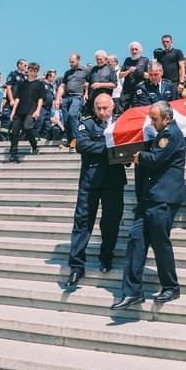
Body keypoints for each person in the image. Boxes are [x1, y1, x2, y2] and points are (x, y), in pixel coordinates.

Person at [112, 100, 186, 309]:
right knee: (135, 241)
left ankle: (171, 286)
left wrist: (137, 156)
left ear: (167, 118)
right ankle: (132, 291)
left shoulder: (171, 134)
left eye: (154, 119)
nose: (151, 123)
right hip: (149, 199)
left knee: (160, 244)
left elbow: (155, 159)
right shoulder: (160, 134)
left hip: (163, 199)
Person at [66, 93, 126, 285]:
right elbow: (82, 145)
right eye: (98, 108)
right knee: (82, 223)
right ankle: (76, 266)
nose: (101, 112)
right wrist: (110, 148)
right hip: (90, 183)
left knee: (111, 223)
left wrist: (107, 148)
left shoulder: (121, 124)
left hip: (114, 182)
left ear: (112, 107)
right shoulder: (87, 124)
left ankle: (106, 256)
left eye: (105, 108)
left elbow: (127, 148)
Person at [7, 62, 44, 163]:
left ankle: (34, 145)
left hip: (31, 110)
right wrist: (13, 111)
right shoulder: (22, 83)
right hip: (19, 110)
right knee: (14, 132)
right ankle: (13, 154)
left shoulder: (40, 84)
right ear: (28, 70)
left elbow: (41, 99)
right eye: (30, 70)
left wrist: (38, 110)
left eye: (34, 71)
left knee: (27, 127)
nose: (32, 72)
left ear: (37, 72)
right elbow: (17, 98)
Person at [119, 42, 150, 111]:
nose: (134, 51)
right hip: (127, 90)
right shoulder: (127, 60)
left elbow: (149, 76)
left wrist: (139, 72)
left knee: (139, 110)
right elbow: (120, 75)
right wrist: (128, 71)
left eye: (136, 49)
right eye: (132, 49)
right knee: (123, 110)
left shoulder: (145, 60)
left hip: (140, 90)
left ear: (140, 50)